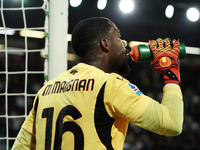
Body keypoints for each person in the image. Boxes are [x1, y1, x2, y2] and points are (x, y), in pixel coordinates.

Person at [11, 17, 183, 150]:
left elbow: (20, 147)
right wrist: (170, 73)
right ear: (105, 43)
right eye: (119, 36)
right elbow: (172, 124)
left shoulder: (45, 91)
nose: (124, 43)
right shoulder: (110, 85)